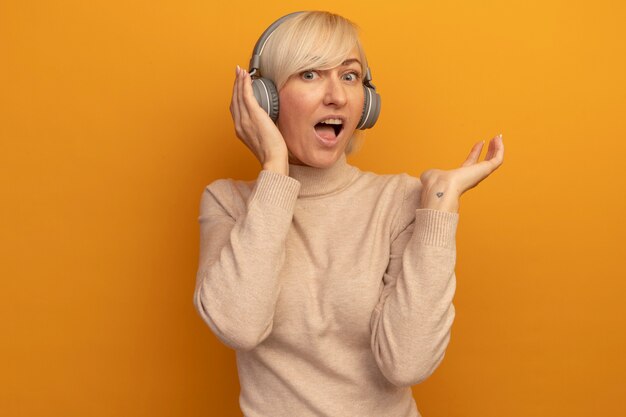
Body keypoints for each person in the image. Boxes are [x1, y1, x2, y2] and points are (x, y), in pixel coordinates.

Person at [193, 10, 504, 417]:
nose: (336, 95)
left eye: (350, 76)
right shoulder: (227, 203)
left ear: (367, 102)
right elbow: (240, 325)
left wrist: (440, 207)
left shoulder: (401, 200)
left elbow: (406, 363)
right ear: (264, 98)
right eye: (309, 74)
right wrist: (274, 167)